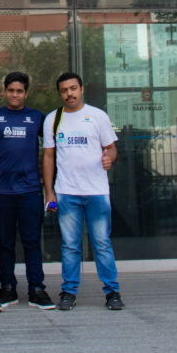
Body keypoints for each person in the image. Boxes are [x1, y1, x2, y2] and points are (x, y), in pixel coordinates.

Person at [43, 72, 124, 312]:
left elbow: (111, 149)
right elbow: (48, 156)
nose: (69, 93)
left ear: (82, 89)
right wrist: (49, 192)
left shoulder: (98, 116)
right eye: (64, 90)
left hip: (97, 192)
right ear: (60, 93)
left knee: (101, 243)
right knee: (70, 245)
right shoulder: (53, 119)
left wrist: (109, 159)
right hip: (67, 192)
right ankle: (68, 292)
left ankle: (112, 292)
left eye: (73, 88)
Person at [0, 72, 54, 310]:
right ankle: (7, 288)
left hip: (30, 191)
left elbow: (55, 147)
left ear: (26, 93)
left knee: (32, 242)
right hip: (1, 191)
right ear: (5, 91)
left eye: (20, 91)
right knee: (4, 243)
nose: (15, 94)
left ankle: (37, 289)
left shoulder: (37, 118)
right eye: (11, 90)